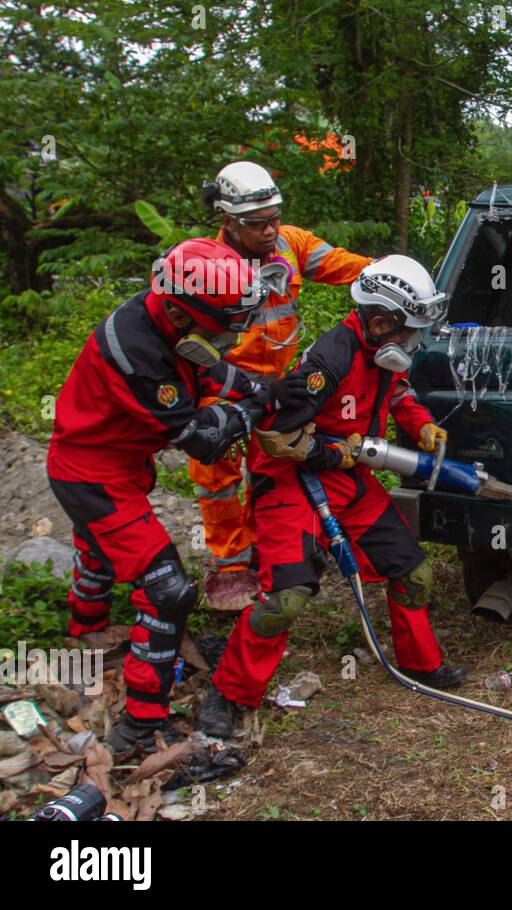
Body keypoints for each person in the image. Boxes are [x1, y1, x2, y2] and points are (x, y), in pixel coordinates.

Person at [47, 238, 308, 754]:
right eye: (223, 324)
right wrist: (251, 411)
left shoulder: (169, 325)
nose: (231, 334)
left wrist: (265, 387)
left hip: (116, 462)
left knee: (99, 554)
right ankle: (140, 726)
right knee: (168, 590)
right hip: (92, 475)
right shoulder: (138, 353)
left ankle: (85, 639)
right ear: (178, 311)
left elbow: (211, 366)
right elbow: (205, 440)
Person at [196, 254, 467, 737]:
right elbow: (276, 436)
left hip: (350, 480)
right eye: (409, 331)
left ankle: (420, 664)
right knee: (286, 597)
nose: (413, 342)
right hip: (287, 481)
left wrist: (421, 425)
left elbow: (396, 391)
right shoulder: (328, 360)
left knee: (414, 573)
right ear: (381, 320)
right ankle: (229, 691)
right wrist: (334, 454)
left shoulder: (383, 353)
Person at [192, 161, 373, 612]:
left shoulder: (290, 243)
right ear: (228, 221)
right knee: (217, 474)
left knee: (277, 465)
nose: (270, 229)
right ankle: (231, 566)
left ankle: (274, 551)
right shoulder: (209, 267)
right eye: (258, 224)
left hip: (280, 382)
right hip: (226, 381)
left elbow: (337, 263)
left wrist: (385, 274)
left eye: (274, 217)